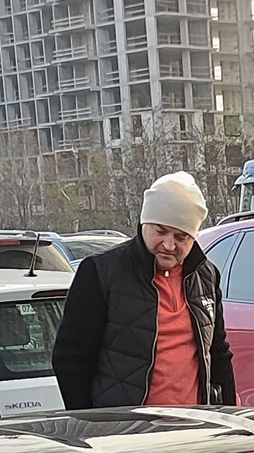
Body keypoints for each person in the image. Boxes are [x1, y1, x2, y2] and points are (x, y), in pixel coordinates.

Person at [51, 172, 235, 410]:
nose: (169, 245)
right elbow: (70, 357)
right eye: (160, 232)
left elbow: (218, 353)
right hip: (127, 434)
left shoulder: (206, 276)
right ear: (143, 223)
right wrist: (93, 424)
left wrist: (230, 418)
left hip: (196, 429)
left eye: (181, 237)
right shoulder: (100, 272)